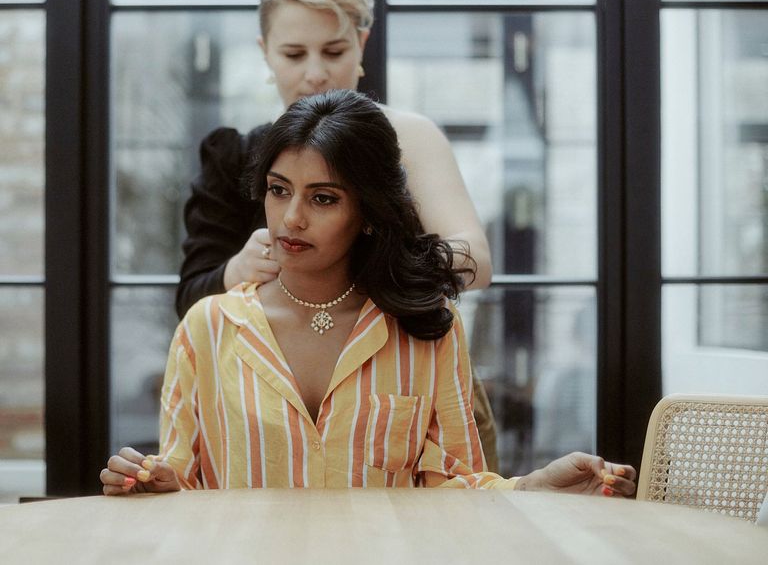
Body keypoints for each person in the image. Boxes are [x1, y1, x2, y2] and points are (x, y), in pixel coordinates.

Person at [101, 91, 636, 496]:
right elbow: (182, 485)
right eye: (279, 189)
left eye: (324, 198)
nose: (291, 218)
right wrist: (148, 484)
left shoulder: (428, 327)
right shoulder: (207, 327)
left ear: (369, 215)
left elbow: (458, 491)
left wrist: (534, 487)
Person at [175, 0, 499, 470]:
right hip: (262, 404)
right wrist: (238, 269)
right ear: (264, 52)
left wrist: (370, 260)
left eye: (334, 51)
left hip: (413, 394)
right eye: (294, 54)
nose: (316, 73)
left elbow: (475, 262)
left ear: (362, 43)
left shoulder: (410, 138)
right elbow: (190, 298)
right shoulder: (234, 155)